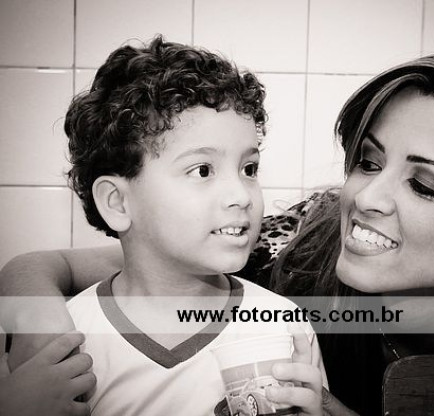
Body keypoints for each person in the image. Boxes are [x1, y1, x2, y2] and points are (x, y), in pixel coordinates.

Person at [2, 53, 434, 415]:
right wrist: (32, 325)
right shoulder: (295, 246)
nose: (365, 198)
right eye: (369, 162)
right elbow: (113, 261)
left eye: (424, 186)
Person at [1, 36, 328, 416]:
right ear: (117, 202)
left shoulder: (283, 329)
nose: (241, 195)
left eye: (249, 169)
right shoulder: (64, 343)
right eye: (202, 170)